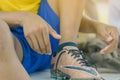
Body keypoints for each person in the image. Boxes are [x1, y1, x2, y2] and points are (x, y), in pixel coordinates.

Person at [0, 0, 118, 80]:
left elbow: (63, 10)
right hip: (12, 43)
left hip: (53, 39)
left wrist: (94, 25)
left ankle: (67, 52)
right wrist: (22, 17)